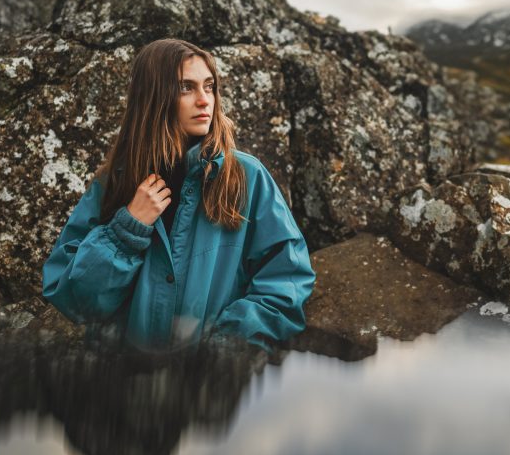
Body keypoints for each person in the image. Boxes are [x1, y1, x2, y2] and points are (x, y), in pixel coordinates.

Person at [41, 38, 316, 354]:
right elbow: (73, 299)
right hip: (122, 390)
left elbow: (287, 282)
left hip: (207, 390)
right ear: (155, 97)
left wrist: (225, 345)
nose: (204, 100)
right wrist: (126, 231)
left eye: (209, 87)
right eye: (186, 88)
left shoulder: (245, 176)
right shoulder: (115, 181)